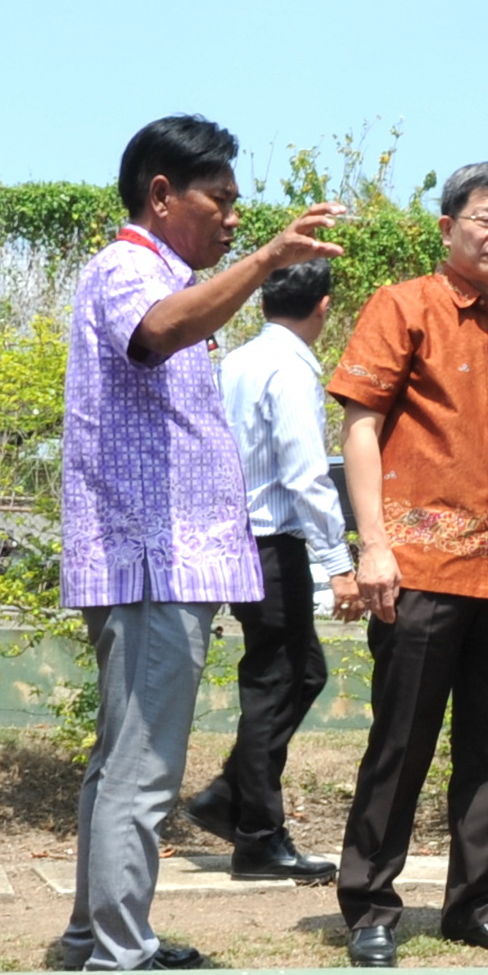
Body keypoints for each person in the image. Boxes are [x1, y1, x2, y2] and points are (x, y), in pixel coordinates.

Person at [53, 118, 345, 973]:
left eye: (236, 206)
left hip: (169, 563)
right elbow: (156, 332)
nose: (231, 219)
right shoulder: (127, 269)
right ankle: (119, 951)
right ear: (160, 195)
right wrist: (262, 261)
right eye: (218, 201)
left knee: (122, 764)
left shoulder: (168, 275)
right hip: (150, 562)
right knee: (141, 769)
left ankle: (94, 936)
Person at [327, 162, 488, 968]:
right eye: (487, 218)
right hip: (421, 565)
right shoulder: (404, 307)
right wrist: (372, 546)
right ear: (448, 227)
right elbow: (361, 428)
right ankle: (369, 905)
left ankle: (474, 904)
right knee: (401, 743)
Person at [187, 259, 359, 884]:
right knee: (279, 681)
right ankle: (258, 836)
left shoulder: (237, 360)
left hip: (235, 537)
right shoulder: (289, 369)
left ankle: (230, 798)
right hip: (270, 539)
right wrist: (339, 563)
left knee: (295, 673)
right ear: (323, 308)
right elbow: (307, 474)